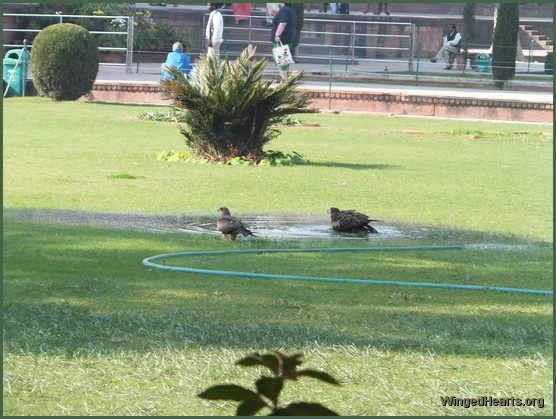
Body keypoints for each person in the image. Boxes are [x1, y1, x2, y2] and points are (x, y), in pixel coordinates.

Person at [270, 3, 296, 81]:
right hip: (287, 36)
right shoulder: (288, 9)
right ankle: (283, 75)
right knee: (282, 56)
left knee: (280, 56)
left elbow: (283, 23)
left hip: (284, 37)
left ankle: (283, 77)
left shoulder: (285, 10)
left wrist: (277, 35)